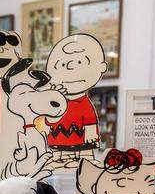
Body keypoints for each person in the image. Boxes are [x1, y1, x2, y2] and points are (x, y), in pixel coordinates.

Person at [45, 34, 108, 167]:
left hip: (81, 137)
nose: (70, 68)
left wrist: (90, 131)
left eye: (80, 62)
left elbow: (89, 117)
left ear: (101, 68)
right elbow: (48, 118)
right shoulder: (56, 100)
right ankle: (62, 160)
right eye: (62, 64)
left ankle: (83, 162)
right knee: (60, 155)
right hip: (59, 136)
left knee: (84, 159)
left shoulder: (84, 102)